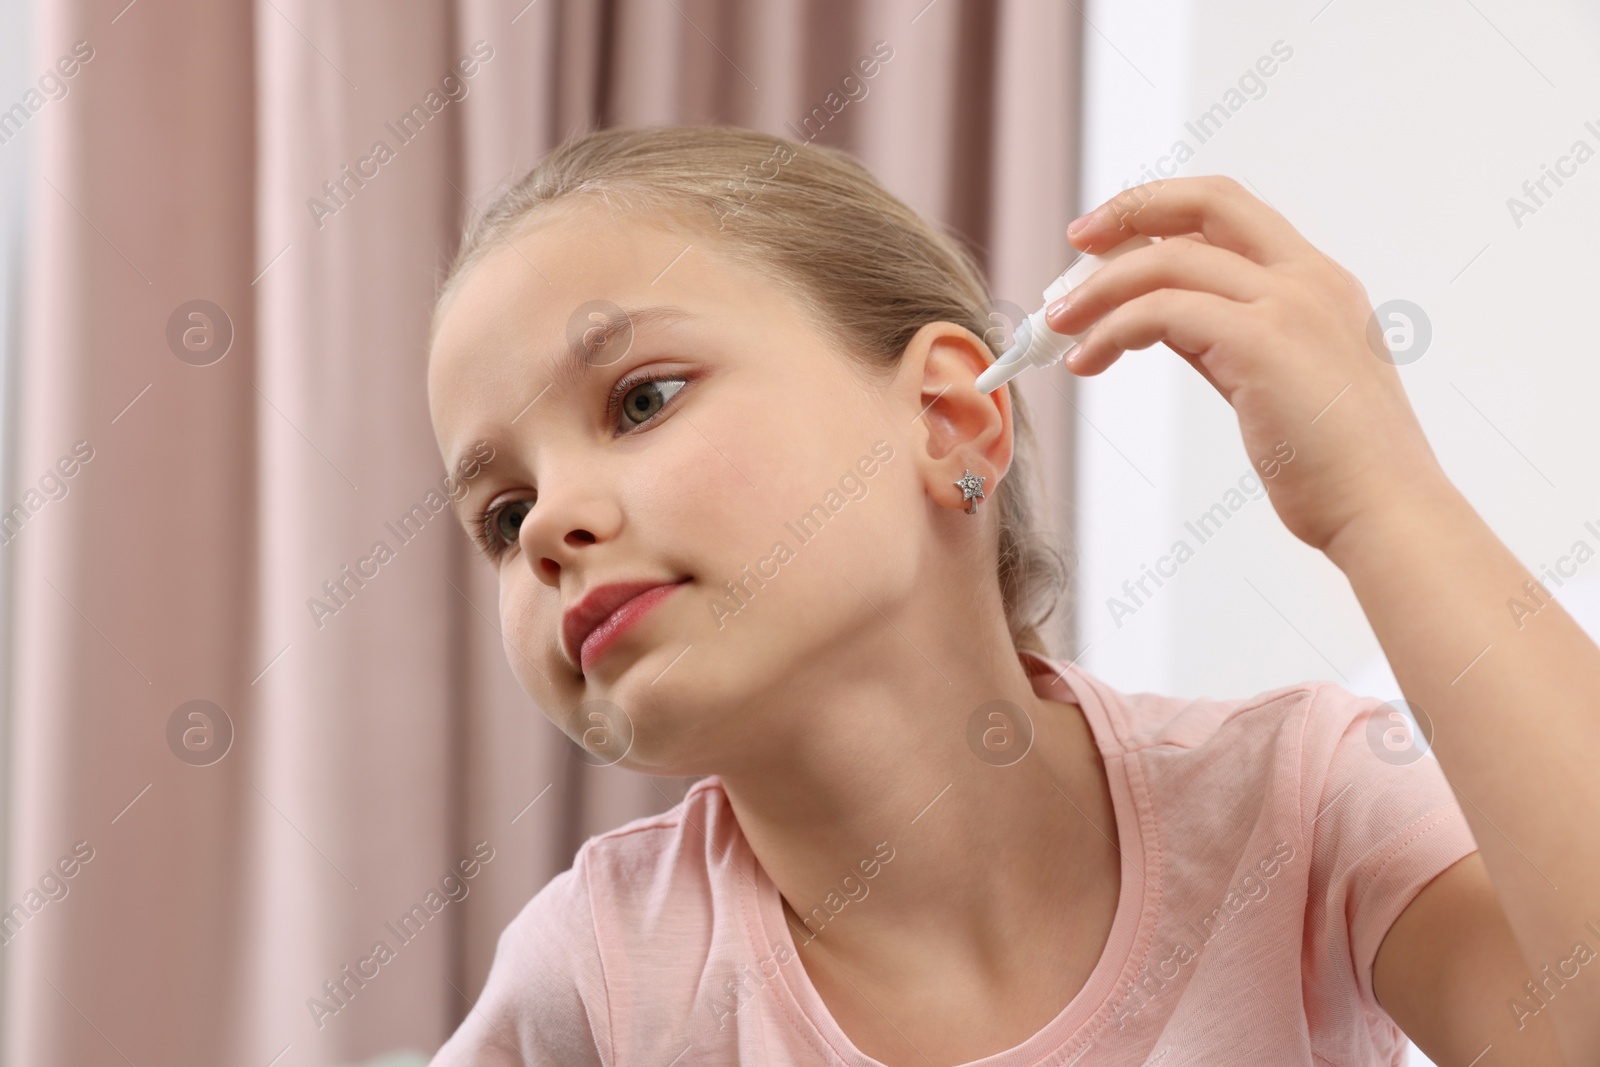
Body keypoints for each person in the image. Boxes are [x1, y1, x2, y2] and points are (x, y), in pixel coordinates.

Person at [425, 124, 1587, 1065]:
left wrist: (1382, 501)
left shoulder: (1302, 810)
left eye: (640, 400)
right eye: (503, 513)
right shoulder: (596, 977)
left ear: (945, 420)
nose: (552, 528)